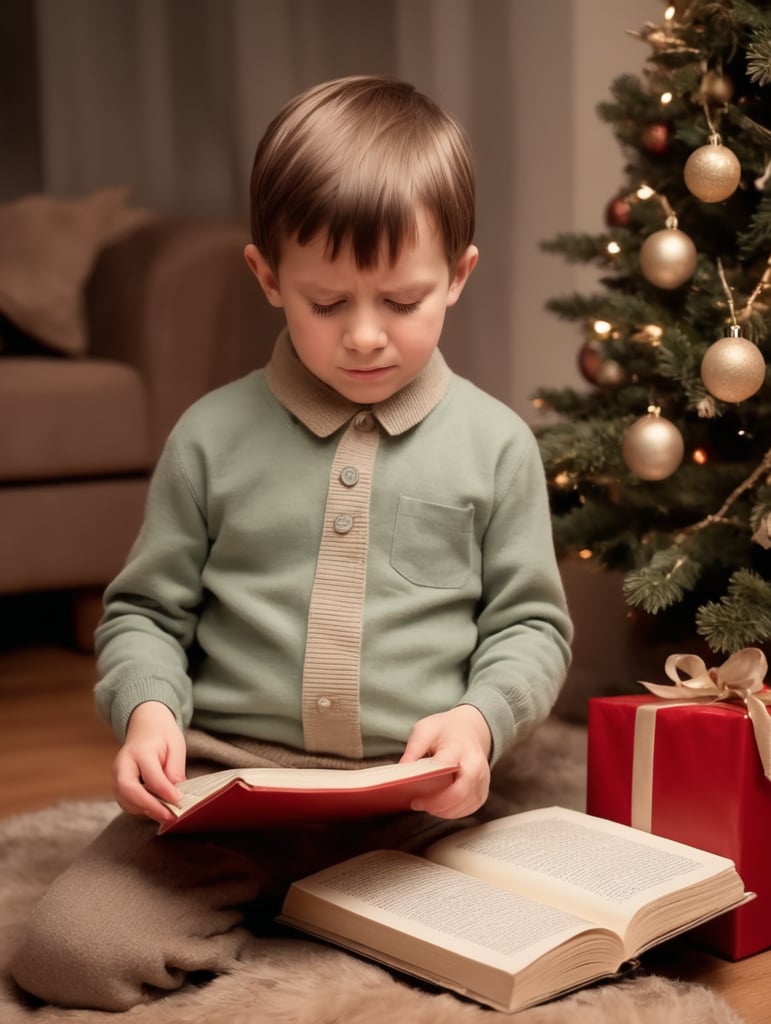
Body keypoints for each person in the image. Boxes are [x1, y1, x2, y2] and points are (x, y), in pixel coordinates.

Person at [11, 74, 572, 1011]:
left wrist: (479, 721)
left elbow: (529, 629)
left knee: (556, 946)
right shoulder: (209, 436)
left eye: (402, 301)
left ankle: (325, 913)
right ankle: (306, 909)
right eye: (324, 302)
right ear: (267, 276)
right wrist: (150, 711)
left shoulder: (496, 445)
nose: (363, 336)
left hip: (419, 808)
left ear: (459, 277)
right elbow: (146, 611)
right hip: (229, 795)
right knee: (68, 955)